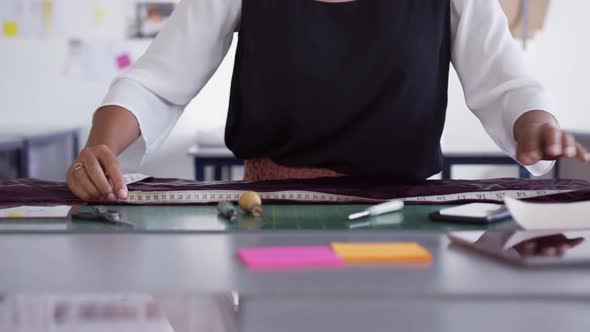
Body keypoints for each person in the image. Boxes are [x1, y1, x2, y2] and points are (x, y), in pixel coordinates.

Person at [67, 0, 589, 201]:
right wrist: (101, 149)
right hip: (272, 211)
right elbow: (156, 82)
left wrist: (533, 125)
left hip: (402, 214)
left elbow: (507, 80)